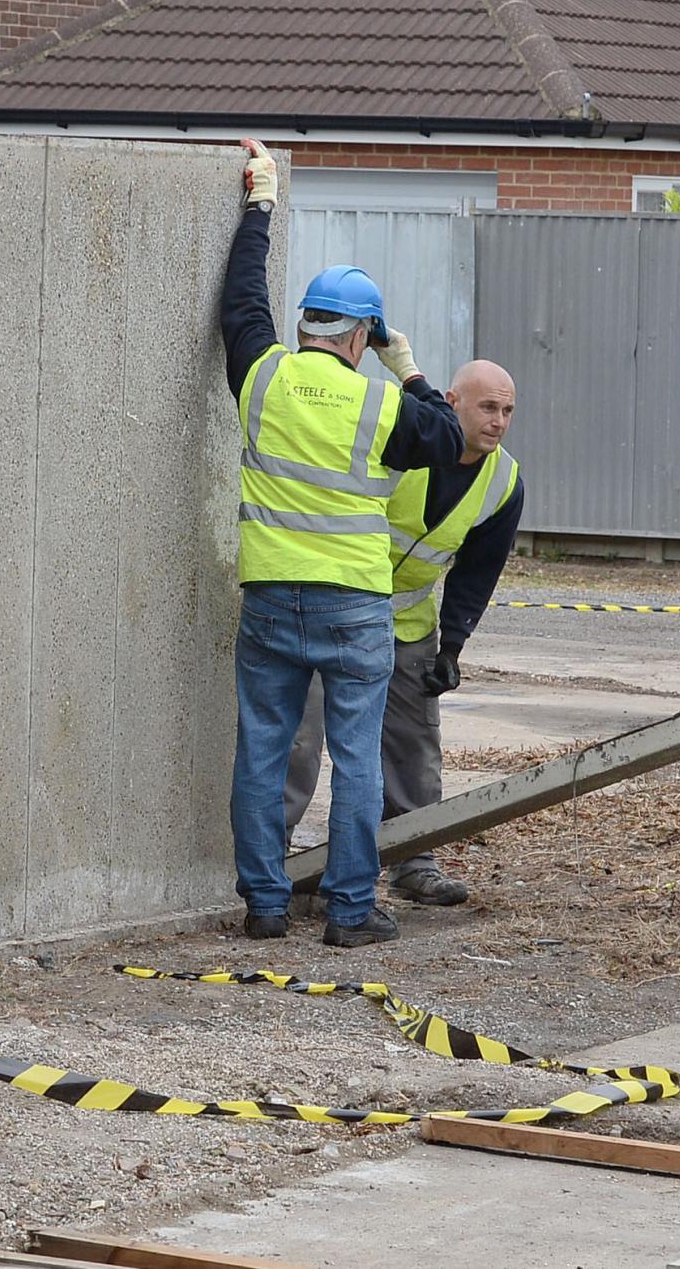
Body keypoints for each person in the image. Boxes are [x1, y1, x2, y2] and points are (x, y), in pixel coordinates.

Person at [224, 141, 463, 947]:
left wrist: (260, 204)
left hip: (268, 597)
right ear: (362, 337)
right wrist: (409, 365)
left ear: (304, 326)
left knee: (264, 749)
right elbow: (450, 433)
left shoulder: (260, 374)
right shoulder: (383, 407)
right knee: (354, 758)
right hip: (356, 608)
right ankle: (351, 912)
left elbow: (241, 299)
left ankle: (263, 905)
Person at [280, 359, 522, 905]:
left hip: (407, 626)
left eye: (507, 410)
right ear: (453, 401)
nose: (499, 421)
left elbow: (477, 572)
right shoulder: (402, 444)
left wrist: (453, 646)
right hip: (336, 607)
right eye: (488, 407)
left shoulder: (503, 481)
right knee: (301, 737)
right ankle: (277, 859)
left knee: (414, 745)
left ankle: (415, 857)